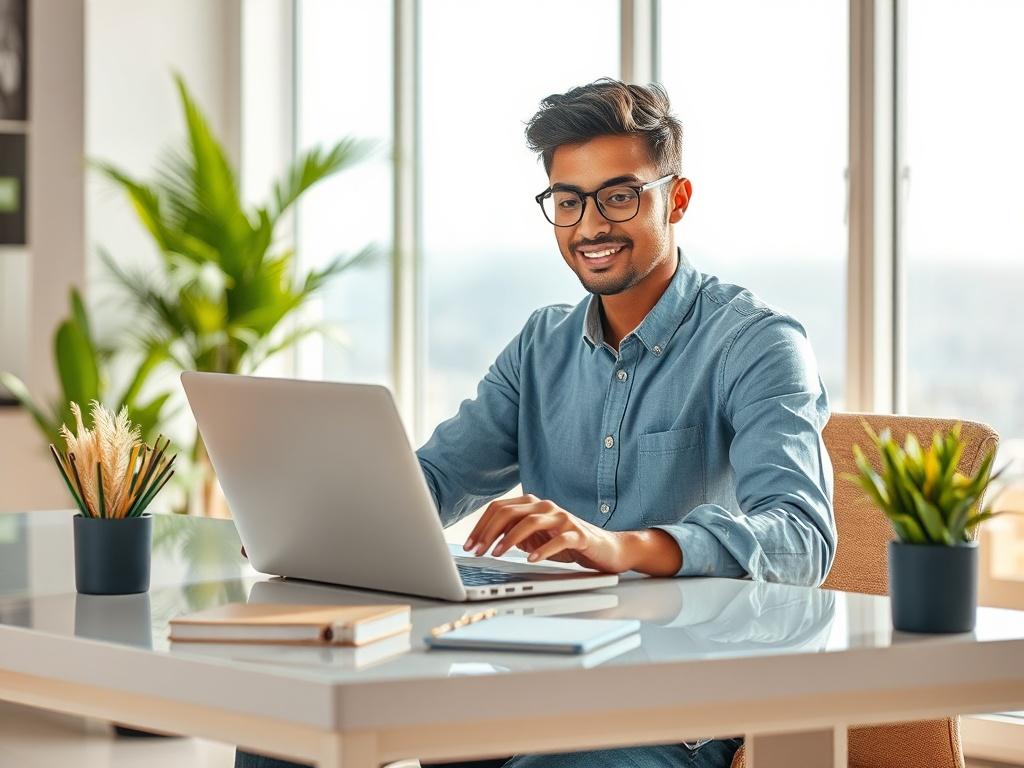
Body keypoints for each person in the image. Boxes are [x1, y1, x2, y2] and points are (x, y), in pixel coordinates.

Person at [236, 77, 836, 768]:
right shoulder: (540, 346)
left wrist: (624, 547)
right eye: (567, 201)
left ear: (677, 197)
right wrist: (315, 529)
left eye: (619, 196)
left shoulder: (756, 343)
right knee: (287, 738)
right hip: (527, 680)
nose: (590, 226)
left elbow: (802, 537)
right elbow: (433, 480)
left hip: (670, 704)